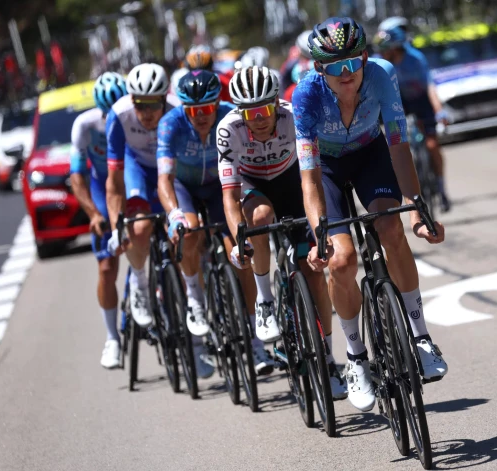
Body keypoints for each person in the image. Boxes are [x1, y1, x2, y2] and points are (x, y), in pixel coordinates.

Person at [293, 17, 448, 412]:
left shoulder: (382, 75)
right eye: (334, 67)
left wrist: (416, 205)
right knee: (342, 260)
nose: (346, 75)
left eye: (352, 63)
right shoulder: (306, 96)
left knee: (391, 228)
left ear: (365, 56)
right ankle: (357, 358)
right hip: (325, 169)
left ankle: (420, 336)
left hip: (370, 155)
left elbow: (398, 146)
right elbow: (309, 179)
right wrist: (319, 236)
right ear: (318, 69)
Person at [217, 66, 347, 397]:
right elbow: (230, 198)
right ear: (239, 112)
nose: (259, 118)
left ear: (277, 104)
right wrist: (239, 241)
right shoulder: (228, 130)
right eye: (250, 112)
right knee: (259, 217)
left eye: (265, 109)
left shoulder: (294, 118)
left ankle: (329, 359)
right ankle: (263, 298)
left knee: (314, 273)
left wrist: (317, 229)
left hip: (292, 180)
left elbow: (311, 179)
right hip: (253, 185)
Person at [156, 70, 272, 376]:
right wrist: (174, 215)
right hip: (186, 188)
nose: (201, 116)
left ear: (216, 104)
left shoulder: (229, 117)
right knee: (189, 232)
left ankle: (255, 338)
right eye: (193, 111)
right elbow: (164, 179)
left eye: (207, 108)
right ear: (183, 109)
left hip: (222, 188)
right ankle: (194, 295)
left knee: (240, 254)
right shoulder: (170, 124)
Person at [105, 63, 180, 329]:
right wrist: (117, 227)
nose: (146, 114)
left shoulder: (177, 109)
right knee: (139, 228)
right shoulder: (119, 115)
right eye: (140, 104)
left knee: (185, 235)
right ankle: (138, 281)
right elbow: (113, 182)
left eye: (153, 105)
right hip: (136, 169)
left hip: (169, 167)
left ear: (164, 99)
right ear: (131, 100)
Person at [69, 72, 128, 369]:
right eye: (108, 114)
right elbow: (76, 176)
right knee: (107, 267)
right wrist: (93, 213)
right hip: (102, 187)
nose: (113, 119)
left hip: (133, 181)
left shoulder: (136, 114)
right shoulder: (85, 125)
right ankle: (111, 338)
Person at [373, 16, 451, 212]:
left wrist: (439, 110)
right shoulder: (381, 64)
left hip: (420, 101)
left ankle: (441, 188)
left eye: (385, 49)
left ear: (395, 47)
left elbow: (430, 86)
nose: (382, 53)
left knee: (432, 144)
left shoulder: (416, 59)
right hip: (398, 104)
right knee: (397, 148)